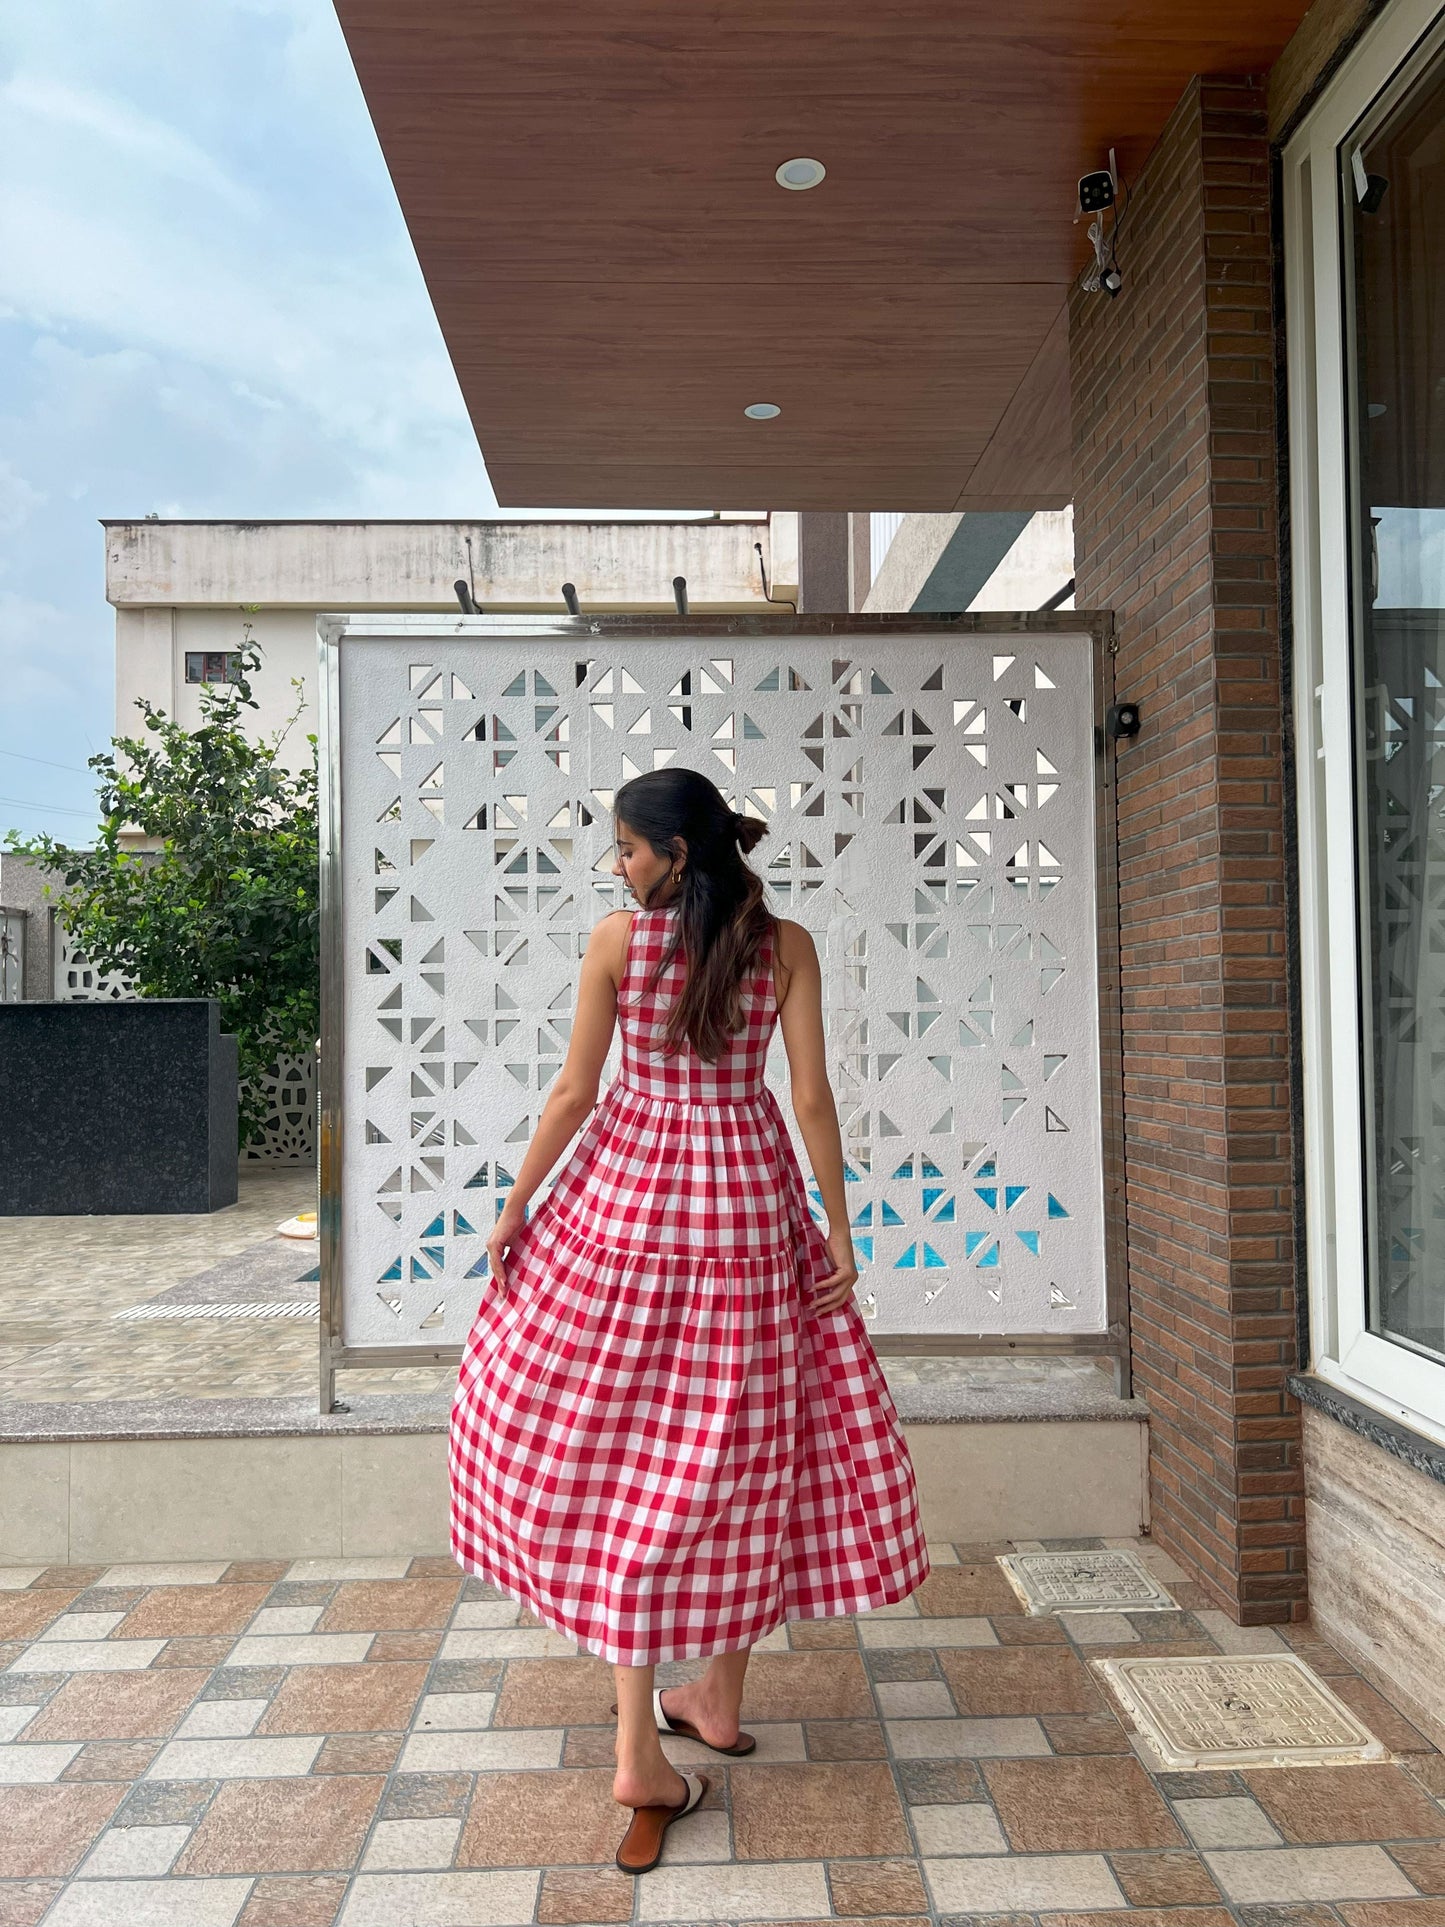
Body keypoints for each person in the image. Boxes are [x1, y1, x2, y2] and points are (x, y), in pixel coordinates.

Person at [448, 766, 929, 1874]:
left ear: (671, 851)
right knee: (735, 1446)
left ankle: (647, 1743)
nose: (615, 865)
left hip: (625, 1203)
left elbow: (574, 1089)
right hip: (747, 1203)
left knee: (629, 1454)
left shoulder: (620, 940)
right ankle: (710, 1695)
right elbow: (810, 1097)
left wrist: (516, 1202)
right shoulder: (786, 943)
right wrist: (839, 1230)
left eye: (624, 847)